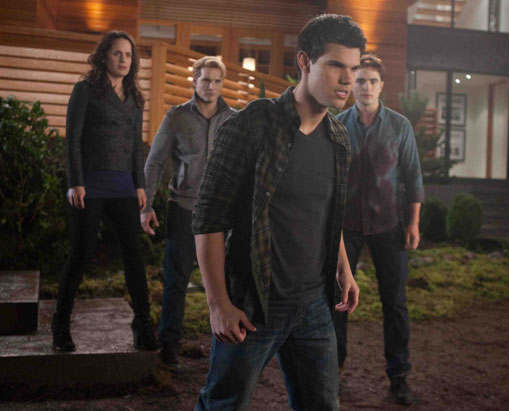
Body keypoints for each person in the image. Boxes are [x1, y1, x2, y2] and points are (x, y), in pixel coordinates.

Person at [191, 14, 366, 410]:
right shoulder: (253, 124)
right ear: (304, 61)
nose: (347, 80)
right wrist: (218, 304)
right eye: (336, 65)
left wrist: (344, 270)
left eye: (354, 69)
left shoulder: (339, 138)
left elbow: (329, 213)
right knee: (223, 404)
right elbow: (208, 217)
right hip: (254, 302)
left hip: (314, 304)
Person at [51, 31, 159, 352]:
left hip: (123, 186)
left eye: (128, 54)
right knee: (82, 253)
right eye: (116, 53)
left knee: (133, 255)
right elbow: (72, 139)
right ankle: (60, 325)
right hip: (89, 185)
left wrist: (139, 184)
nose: (123, 59)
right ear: (104, 56)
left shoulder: (135, 98)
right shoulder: (85, 90)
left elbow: (136, 146)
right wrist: (75, 182)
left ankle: (142, 325)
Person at [335, 54, 424, 406]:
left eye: (372, 81)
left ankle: (399, 375)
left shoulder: (400, 126)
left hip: (389, 223)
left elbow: (413, 175)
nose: (366, 87)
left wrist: (413, 223)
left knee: (395, 302)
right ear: (352, 85)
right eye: (360, 81)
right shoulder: (337, 125)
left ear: (382, 85)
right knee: (338, 300)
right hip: (346, 226)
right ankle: (333, 370)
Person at [140, 56, 235, 368]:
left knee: (226, 283)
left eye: (217, 81)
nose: (211, 86)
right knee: (176, 280)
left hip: (221, 214)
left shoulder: (233, 119)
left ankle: (228, 349)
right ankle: (169, 346)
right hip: (183, 208)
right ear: (194, 81)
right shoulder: (176, 117)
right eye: (206, 80)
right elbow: (154, 162)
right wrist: (146, 205)